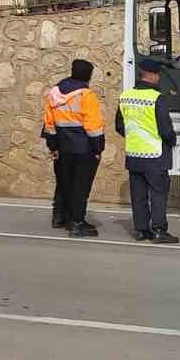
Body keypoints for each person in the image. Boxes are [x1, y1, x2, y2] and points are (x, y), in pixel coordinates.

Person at [114, 59, 178, 244]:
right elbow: (165, 129)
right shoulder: (157, 98)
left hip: (134, 155)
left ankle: (142, 231)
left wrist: (135, 137)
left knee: (139, 195)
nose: (159, 78)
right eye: (157, 74)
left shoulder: (125, 96)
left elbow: (119, 126)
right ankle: (159, 230)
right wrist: (171, 140)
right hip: (155, 155)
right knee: (158, 193)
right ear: (150, 75)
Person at [43, 59, 105, 237]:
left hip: (62, 147)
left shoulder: (54, 92)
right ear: (88, 76)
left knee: (63, 182)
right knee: (81, 186)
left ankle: (60, 216)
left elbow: (49, 123)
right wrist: (98, 149)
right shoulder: (86, 95)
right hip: (83, 148)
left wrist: (52, 145)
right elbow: (93, 127)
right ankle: (77, 223)